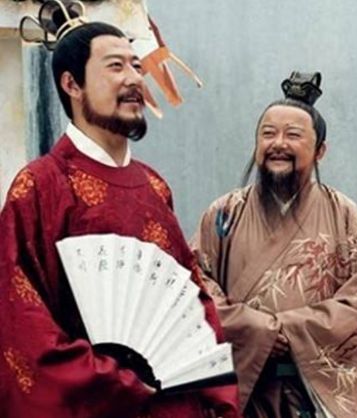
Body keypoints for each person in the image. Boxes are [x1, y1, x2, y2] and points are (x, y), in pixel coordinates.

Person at [0, 9, 239, 418]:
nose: (134, 79)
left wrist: (216, 395)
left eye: (136, 66)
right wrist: (115, 381)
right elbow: (19, 322)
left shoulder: (154, 187)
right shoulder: (40, 186)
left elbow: (192, 303)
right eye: (115, 66)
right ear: (72, 84)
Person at [191, 72, 357, 418]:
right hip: (242, 392)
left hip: (309, 396)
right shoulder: (223, 213)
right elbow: (196, 284)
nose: (278, 143)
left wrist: (289, 331)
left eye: (293, 135)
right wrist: (255, 329)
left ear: (320, 151)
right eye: (268, 133)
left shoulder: (346, 216)